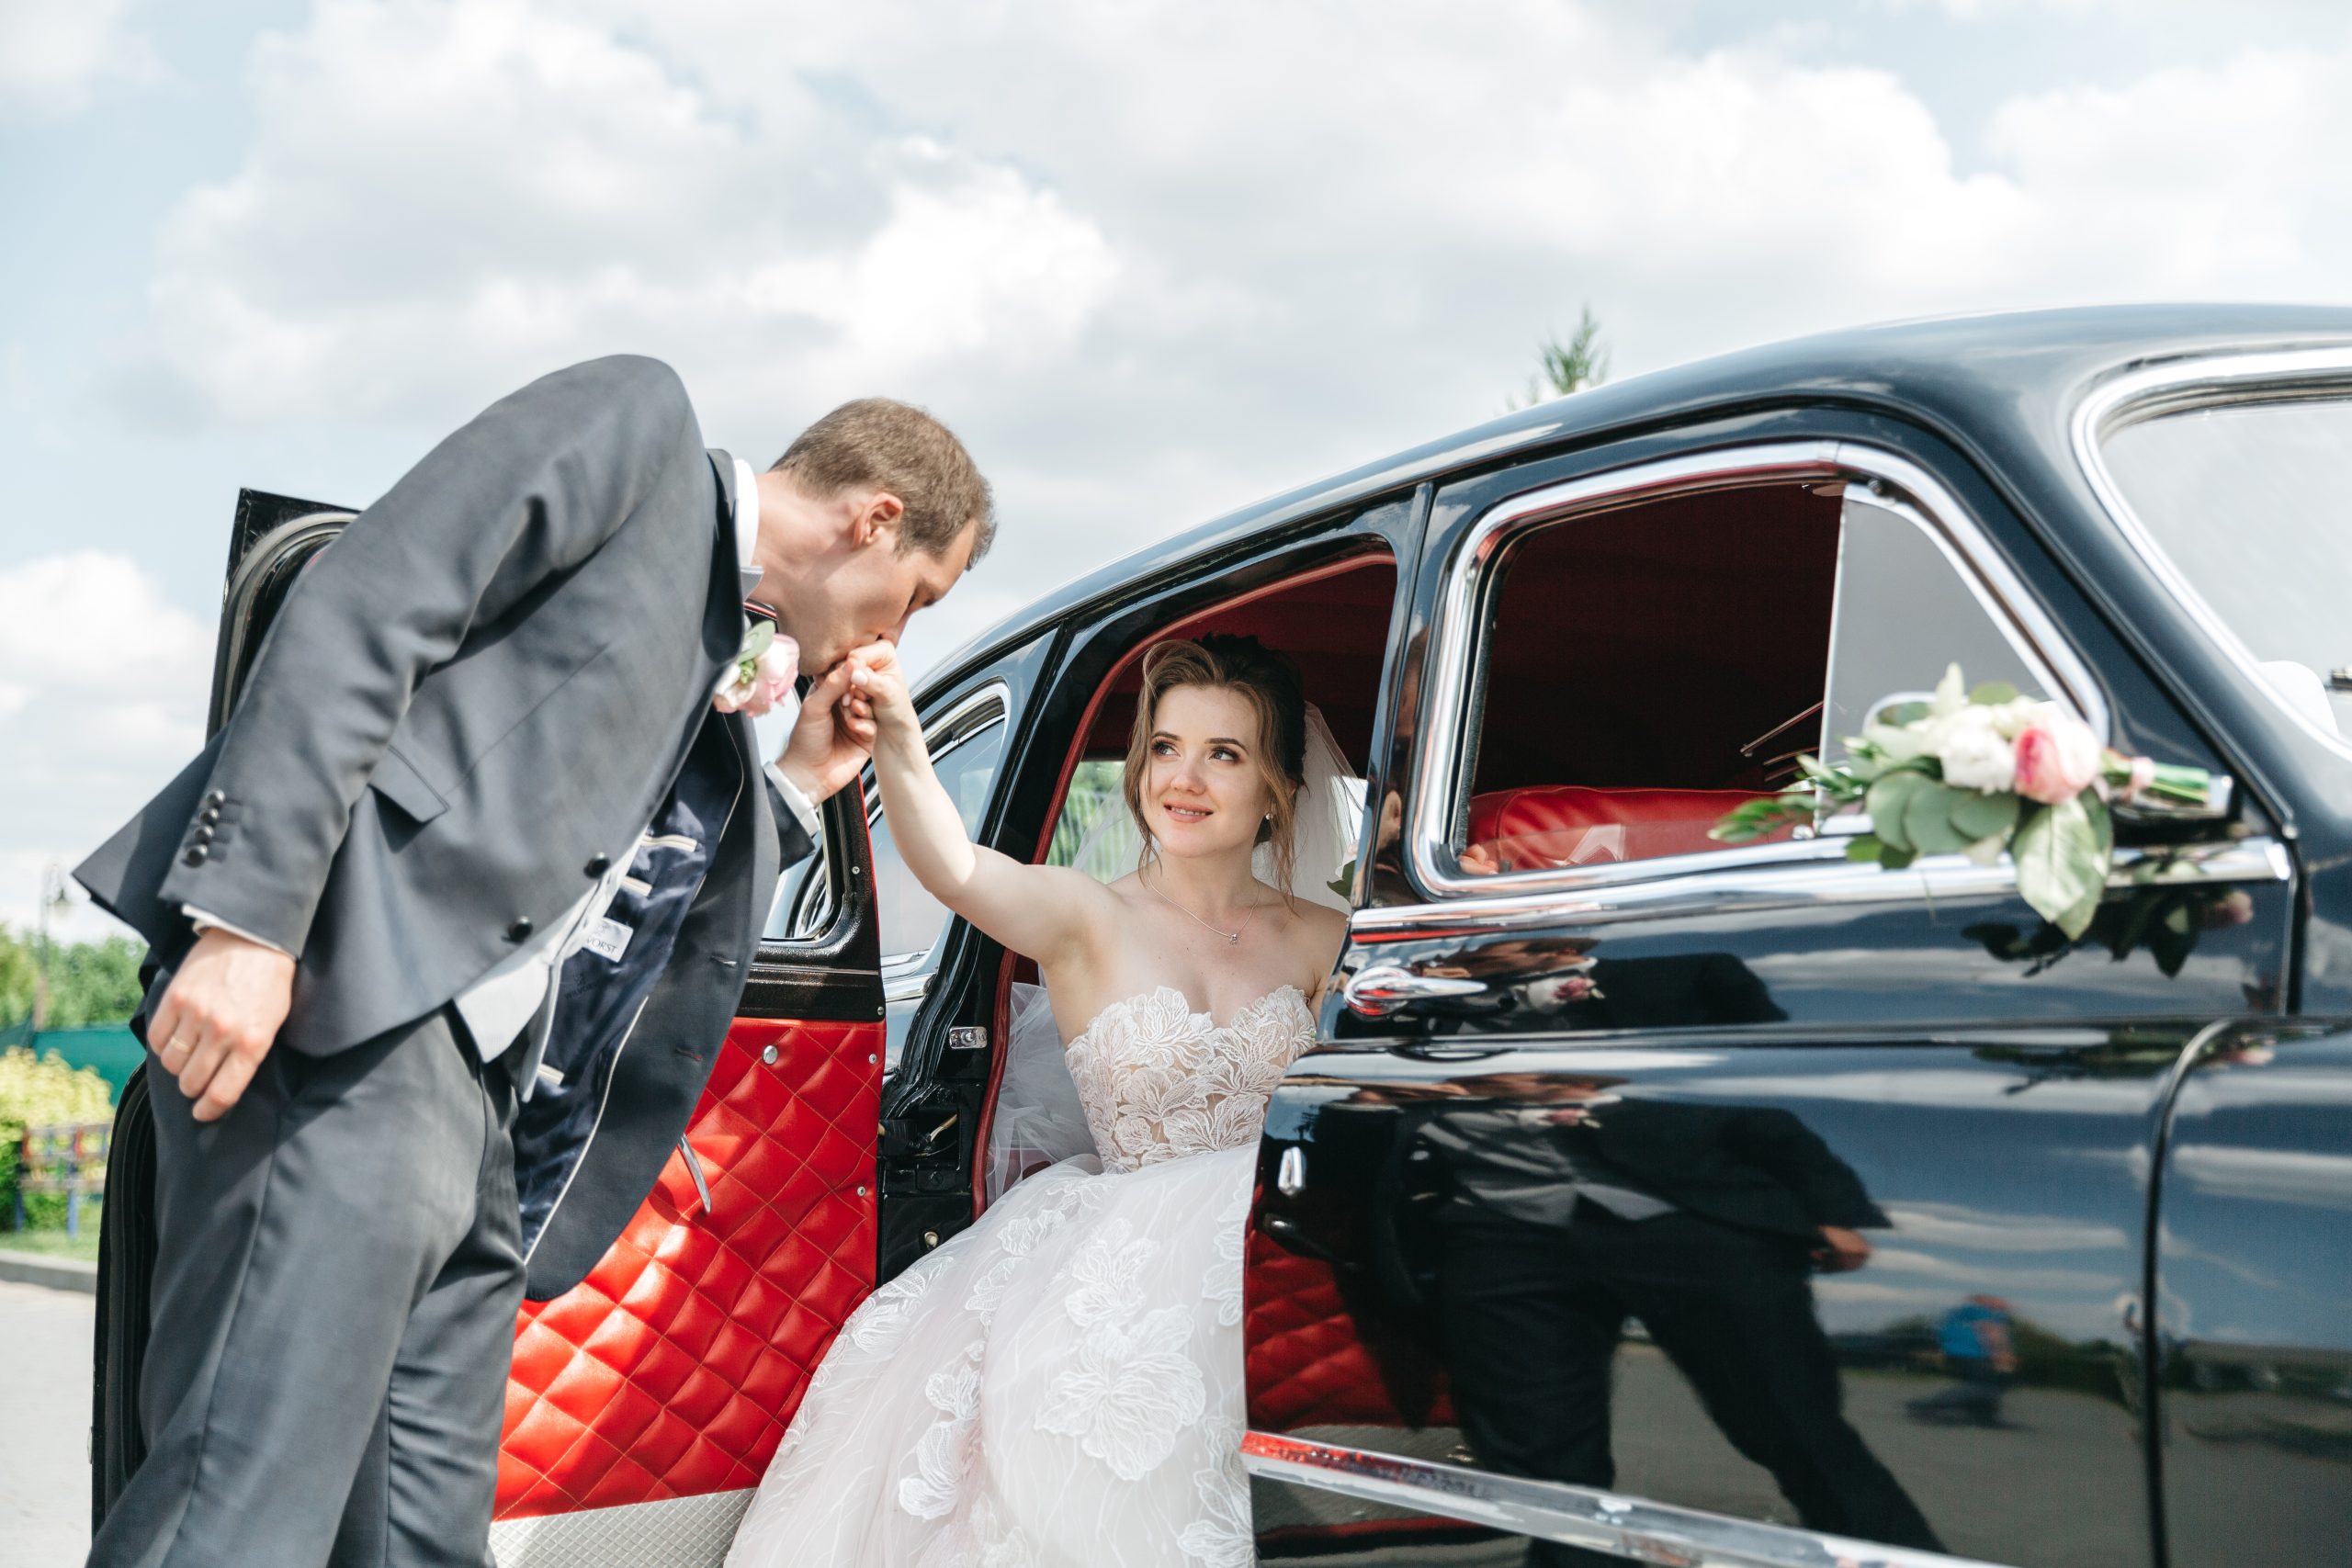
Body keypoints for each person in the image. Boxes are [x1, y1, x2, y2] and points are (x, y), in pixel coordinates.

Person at [71, 358, 993, 1568]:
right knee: (241, 1508)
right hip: (352, 1026)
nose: (896, 635)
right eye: (915, 597)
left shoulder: (723, 659)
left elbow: (643, 895)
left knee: (421, 1540)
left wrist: (799, 782)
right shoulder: (640, 426)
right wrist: (250, 925)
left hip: (481, 1132)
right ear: (875, 517)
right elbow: (365, 604)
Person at [727, 634, 1348, 1568]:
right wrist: (898, 736)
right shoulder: (1084, 914)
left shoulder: (1326, 937)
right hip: (1125, 1281)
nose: (1182, 779)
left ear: (1278, 788)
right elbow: (953, 867)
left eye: (1223, 753)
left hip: (1277, 1274)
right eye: (1165, 747)